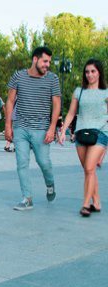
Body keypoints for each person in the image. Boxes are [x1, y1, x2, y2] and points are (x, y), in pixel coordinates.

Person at [5, 46, 61, 211]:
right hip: (21, 127)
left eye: (49, 62)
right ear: (35, 59)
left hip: (41, 129)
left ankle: (50, 184)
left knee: (44, 162)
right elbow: (10, 101)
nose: (47, 65)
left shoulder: (52, 79)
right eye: (45, 61)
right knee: (22, 163)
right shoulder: (18, 76)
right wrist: (8, 126)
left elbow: (57, 104)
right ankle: (27, 198)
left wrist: (52, 129)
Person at [58, 59, 108, 217]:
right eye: (87, 72)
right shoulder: (79, 91)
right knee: (89, 170)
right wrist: (63, 131)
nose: (90, 75)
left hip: (100, 133)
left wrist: (105, 149)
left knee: (89, 168)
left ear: (99, 72)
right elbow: (71, 113)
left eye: (93, 71)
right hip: (81, 134)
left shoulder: (106, 92)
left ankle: (86, 205)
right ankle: (97, 201)